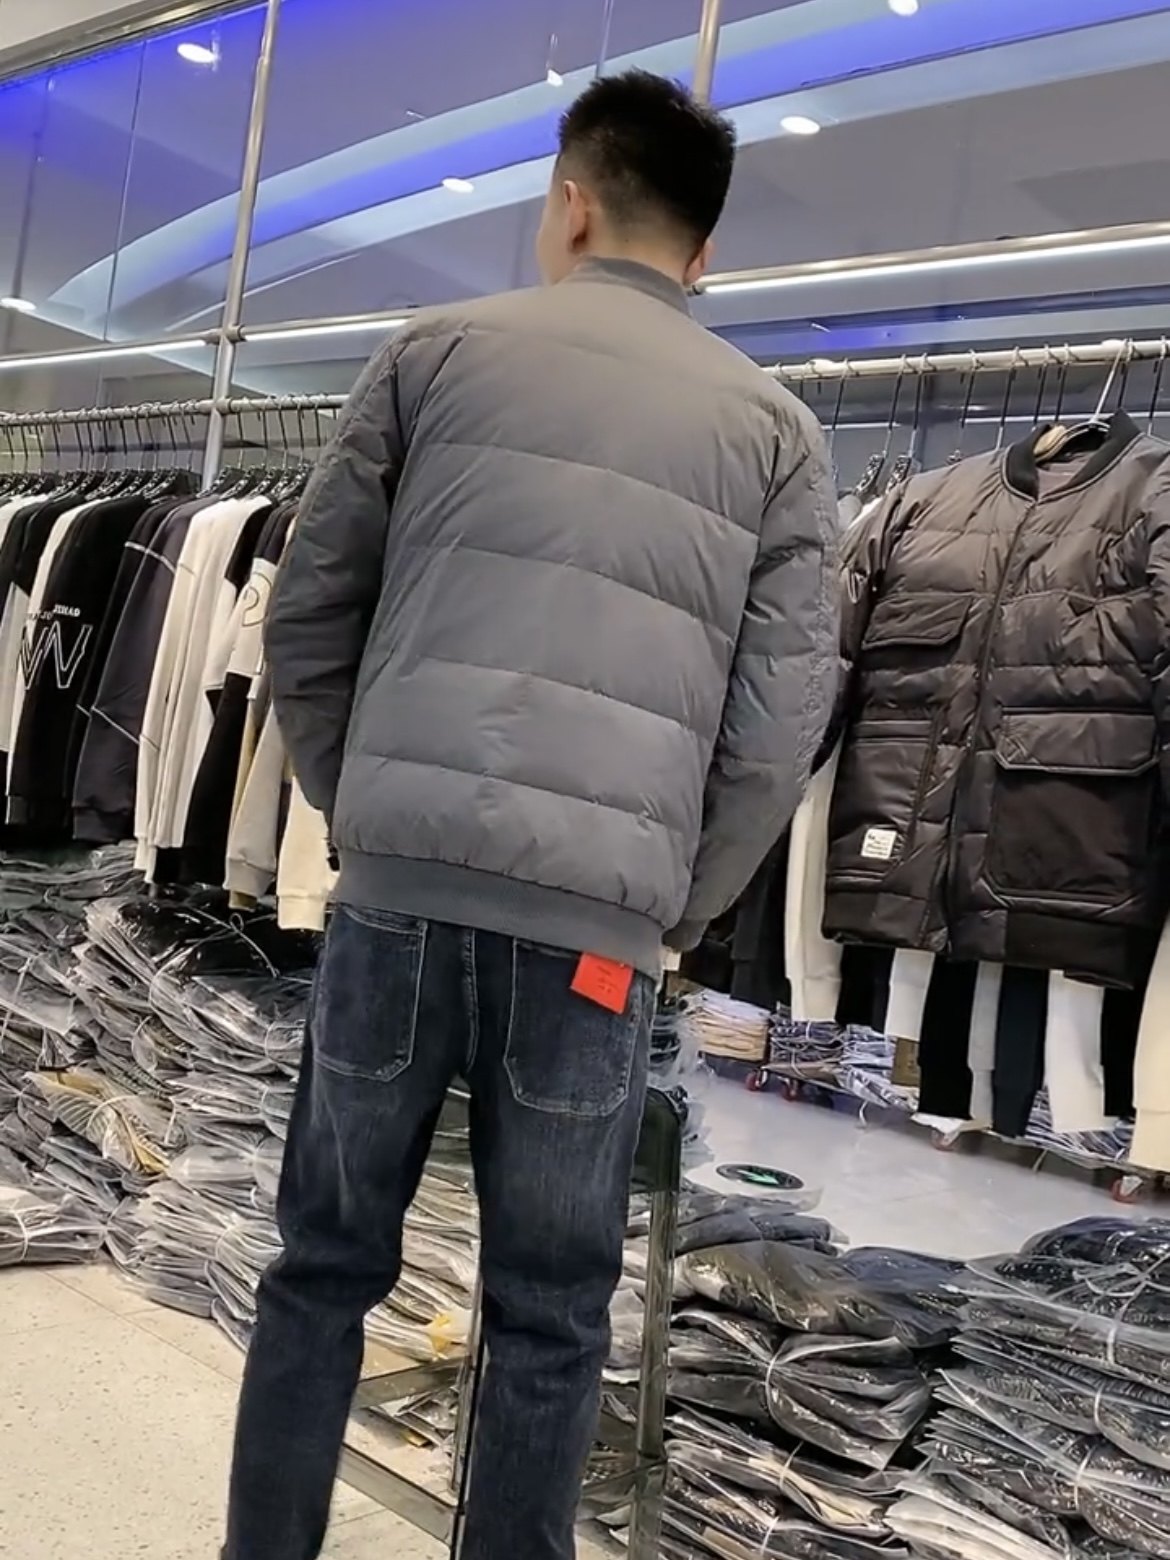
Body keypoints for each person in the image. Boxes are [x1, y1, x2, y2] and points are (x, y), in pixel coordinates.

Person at [223, 68, 839, 1560]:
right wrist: (670, 901)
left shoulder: (434, 355)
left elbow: (307, 614)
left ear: (570, 204)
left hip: (399, 894)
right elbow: (776, 732)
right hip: (600, 937)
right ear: (703, 252)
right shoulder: (776, 434)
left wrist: (366, 806)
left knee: (322, 1268)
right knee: (553, 1309)